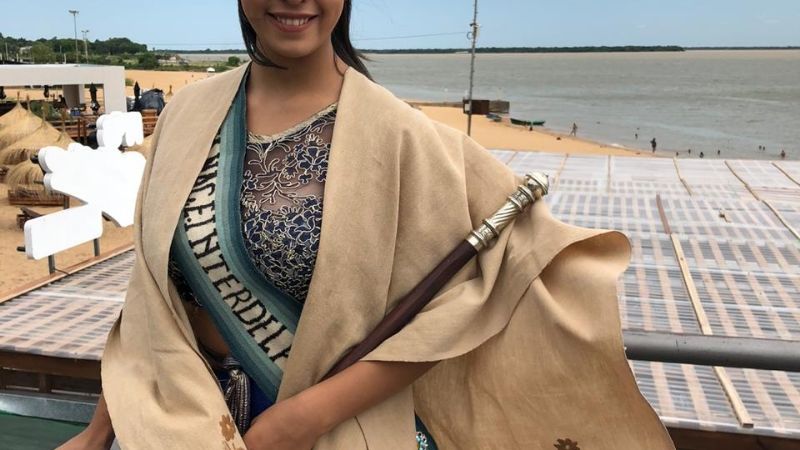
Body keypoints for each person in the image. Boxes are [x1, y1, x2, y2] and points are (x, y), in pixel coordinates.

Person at [57, 1, 674, 449]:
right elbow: (151, 302)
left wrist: (310, 416)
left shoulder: (400, 137)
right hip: (174, 421)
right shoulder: (190, 111)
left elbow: (448, 309)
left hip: (328, 430)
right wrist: (98, 432)